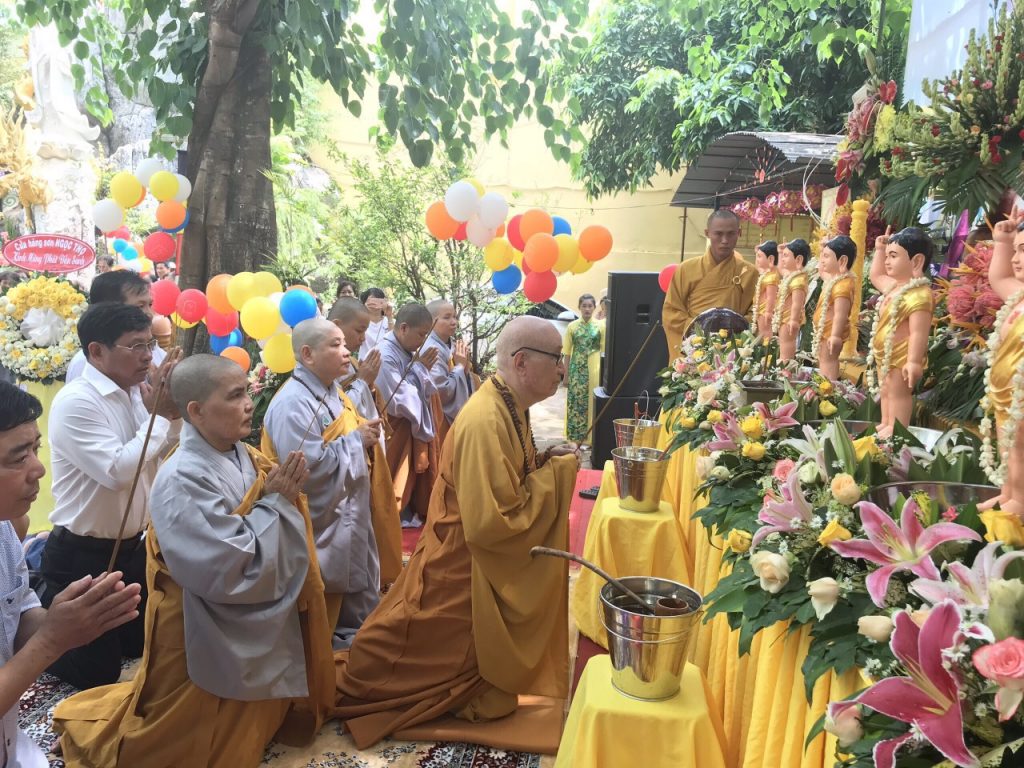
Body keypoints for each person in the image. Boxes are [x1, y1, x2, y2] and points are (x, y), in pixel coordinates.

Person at [53, 354, 336, 767]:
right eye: (235, 395)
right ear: (196, 411)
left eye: (247, 392)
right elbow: (224, 565)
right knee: (174, 737)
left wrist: (276, 499)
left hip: (229, 611)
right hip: (195, 617)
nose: (247, 404)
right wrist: (275, 503)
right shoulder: (183, 477)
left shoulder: (245, 454)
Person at [333, 316, 580, 748]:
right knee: (379, 662)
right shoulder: (487, 419)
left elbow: (510, 481)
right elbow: (491, 525)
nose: (563, 370)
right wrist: (556, 476)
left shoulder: (509, 405)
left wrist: (543, 462)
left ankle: (463, 681)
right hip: (463, 563)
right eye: (557, 359)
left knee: (496, 697)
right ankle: (361, 677)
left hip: (467, 559)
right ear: (522, 362)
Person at [39, 302, 182, 689]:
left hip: (132, 547)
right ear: (97, 352)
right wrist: (160, 418)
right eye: (135, 346)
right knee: (97, 674)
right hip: (82, 553)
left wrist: (172, 413)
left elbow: (165, 452)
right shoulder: (77, 401)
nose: (148, 355)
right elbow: (119, 473)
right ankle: (35, 612)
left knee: (140, 646)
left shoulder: (138, 393)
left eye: (150, 344)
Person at [0, 381, 142, 768]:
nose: (39, 468)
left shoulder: (5, 530)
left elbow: (19, 606)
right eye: (17, 458)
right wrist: (51, 640)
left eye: (36, 448)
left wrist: (68, 619)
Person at [262, 319, 382, 648]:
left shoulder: (331, 390)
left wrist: (360, 436)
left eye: (345, 343)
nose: (347, 352)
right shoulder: (293, 403)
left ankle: (356, 643)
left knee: (357, 588)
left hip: (347, 509)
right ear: (307, 354)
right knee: (328, 599)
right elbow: (305, 471)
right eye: (336, 345)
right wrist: (356, 442)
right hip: (321, 519)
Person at [328, 297, 404, 586]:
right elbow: (340, 410)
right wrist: (362, 383)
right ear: (336, 326)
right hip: (347, 462)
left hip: (364, 452)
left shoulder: (351, 361)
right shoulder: (329, 366)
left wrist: (365, 383)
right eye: (359, 331)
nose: (362, 339)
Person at [662, 209, 758, 357]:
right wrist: (700, 334)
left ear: (739, 233)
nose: (725, 240)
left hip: (732, 349)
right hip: (693, 349)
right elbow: (672, 312)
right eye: (718, 234)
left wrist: (731, 334)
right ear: (707, 233)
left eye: (731, 234)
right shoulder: (686, 269)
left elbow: (756, 315)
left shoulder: (749, 272)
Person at [376, 303, 439, 526]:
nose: (424, 341)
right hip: (395, 425)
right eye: (421, 334)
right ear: (403, 328)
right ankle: (393, 516)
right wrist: (420, 369)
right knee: (396, 475)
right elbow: (397, 400)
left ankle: (405, 510)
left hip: (406, 424)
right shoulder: (385, 353)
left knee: (408, 476)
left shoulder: (405, 350)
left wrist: (419, 368)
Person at [868, 226, 935, 437]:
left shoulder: (919, 295)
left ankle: (896, 429)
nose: (887, 261)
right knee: (886, 391)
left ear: (916, 262)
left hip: (901, 355)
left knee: (898, 394)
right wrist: (879, 249)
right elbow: (876, 275)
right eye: (887, 256)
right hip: (884, 354)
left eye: (893, 256)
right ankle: (886, 422)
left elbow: (918, 333)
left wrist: (914, 361)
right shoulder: (894, 286)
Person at [981, 207, 1024, 516]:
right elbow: (998, 275)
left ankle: (1019, 502)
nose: (1015, 258)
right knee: (1006, 445)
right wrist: (1004, 241)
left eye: (1023, 250)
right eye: (1017, 251)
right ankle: (1007, 493)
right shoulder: (1017, 294)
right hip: (1004, 391)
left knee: (1020, 449)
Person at [65, 271, 165, 382]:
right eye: (140, 306)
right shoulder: (86, 364)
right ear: (108, 310)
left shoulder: (154, 350)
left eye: (150, 304)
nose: (149, 314)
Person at [423, 299, 475, 443]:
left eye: (455, 317)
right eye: (447, 317)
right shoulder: (430, 348)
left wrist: (464, 366)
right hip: (440, 420)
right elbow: (440, 391)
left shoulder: (450, 343)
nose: (454, 322)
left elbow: (465, 374)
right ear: (431, 321)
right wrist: (459, 366)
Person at [812, 235, 858, 379]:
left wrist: (836, 335)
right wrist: (822, 250)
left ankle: (828, 387)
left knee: (828, 361)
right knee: (823, 360)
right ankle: (823, 386)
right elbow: (821, 270)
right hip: (823, 331)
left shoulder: (843, 284)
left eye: (826, 256)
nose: (822, 260)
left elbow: (841, 314)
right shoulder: (832, 279)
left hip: (831, 332)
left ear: (842, 261)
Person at [562, 294, 603, 445]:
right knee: (576, 402)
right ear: (579, 307)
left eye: (590, 306)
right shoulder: (572, 326)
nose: (587, 309)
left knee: (592, 403)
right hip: (576, 369)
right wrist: (565, 375)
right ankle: (574, 438)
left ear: (594, 307)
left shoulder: (600, 326)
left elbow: (604, 350)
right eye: (584, 306)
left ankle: (591, 439)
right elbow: (566, 352)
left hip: (594, 369)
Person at [775, 239, 811, 362]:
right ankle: (782, 362)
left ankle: (786, 364)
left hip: (789, 318)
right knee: (783, 341)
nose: (783, 259)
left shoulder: (798, 280)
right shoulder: (789, 275)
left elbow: (797, 303)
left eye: (786, 256)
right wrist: (780, 252)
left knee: (787, 342)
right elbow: (780, 269)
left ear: (798, 260)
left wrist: (794, 320)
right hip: (783, 316)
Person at [753, 240, 780, 339]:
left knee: (765, 332)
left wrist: (768, 311)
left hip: (765, 311)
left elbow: (771, 297)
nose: (757, 259)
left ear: (771, 259)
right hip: (760, 309)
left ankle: (767, 350)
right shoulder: (765, 274)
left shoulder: (771, 277)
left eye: (760, 256)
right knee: (760, 331)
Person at [359, 287, 393, 358]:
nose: (375, 304)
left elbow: (393, 341)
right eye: (371, 300)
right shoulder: (361, 321)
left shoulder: (390, 321)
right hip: (364, 363)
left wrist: (389, 315)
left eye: (379, 301)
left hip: (386, 363)